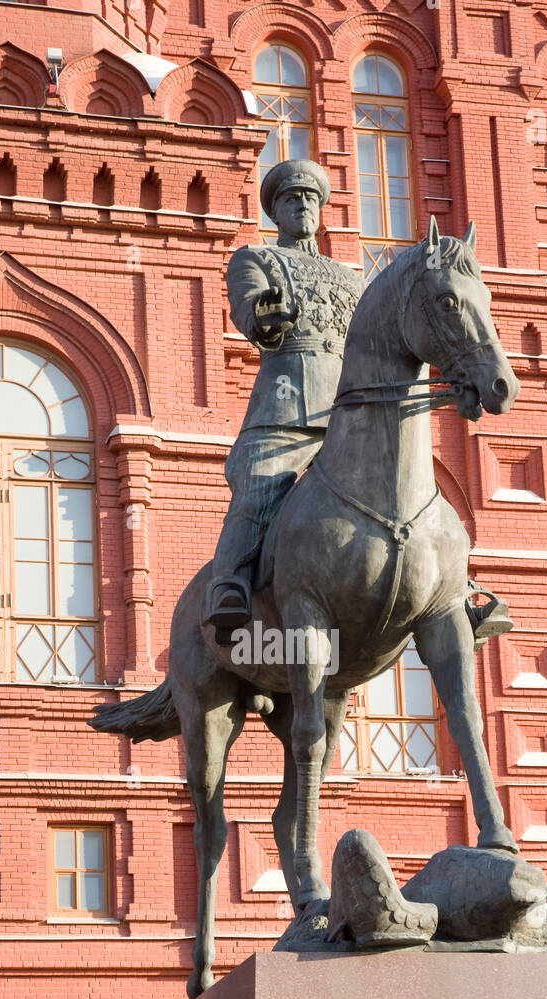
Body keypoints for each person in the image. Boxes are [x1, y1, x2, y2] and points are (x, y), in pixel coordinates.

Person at [203, 158, 365, 641]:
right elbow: (249, 313)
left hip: (351, 411)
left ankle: (456, 592)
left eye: (310, 199)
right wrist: (265, 317)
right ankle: (228, 585)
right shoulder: (256, 260)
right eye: (292, 199)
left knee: (409, 481)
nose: (302, 206)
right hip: (287, 406)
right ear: (276, 211)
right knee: (258, 489)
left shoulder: (352, 279)